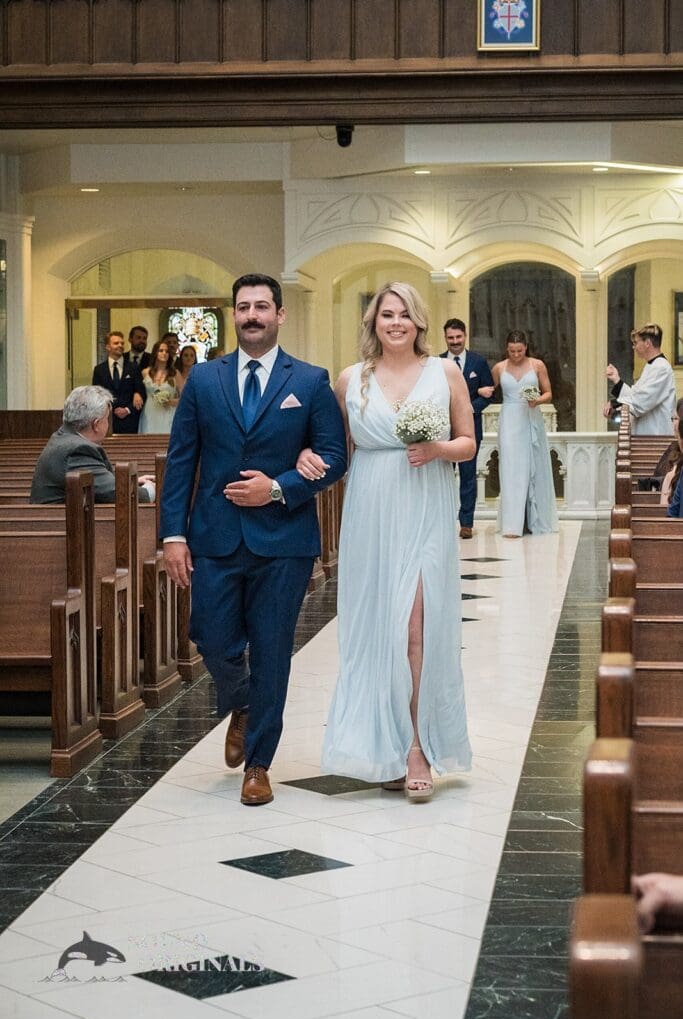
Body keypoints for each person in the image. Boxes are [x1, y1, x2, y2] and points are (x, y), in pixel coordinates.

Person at [160, 273, 347, 807]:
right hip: (214, 537)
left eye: (262, 306)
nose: (252, 316)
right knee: (212, 639)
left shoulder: (309, 382)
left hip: (283, 542)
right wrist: (173, 534)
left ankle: (259, 765)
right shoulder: (204, 380)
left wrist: (280, 488)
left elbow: (335, 457)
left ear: (280, 315)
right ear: (233, 314)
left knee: (271, 652)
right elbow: (181, 462)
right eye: (243, 307)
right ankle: (241, 703)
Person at [300, 282, 475, 800]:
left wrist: (438, 447)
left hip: (424, 506)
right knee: (380, 630)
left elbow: (468, 444)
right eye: (385, 315)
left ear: (419, 322)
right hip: (370, 512)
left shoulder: (442, 372)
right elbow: (333, 449)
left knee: (417, 627)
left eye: (404, 315)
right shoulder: (352, 379)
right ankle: (383, 745)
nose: (395, 322)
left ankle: (418, 745)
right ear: (373, 323)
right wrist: (303, 460)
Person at [486, 329, 558, 538]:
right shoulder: (499, 368)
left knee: (531, 467)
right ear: (506, 349)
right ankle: (512, 524)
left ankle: (534, 519)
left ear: (526, 347)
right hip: (509, 419)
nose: (516, 355)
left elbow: (549, 393)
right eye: (511, 351)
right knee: (510, 469)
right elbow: (490, 390)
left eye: (519, 351)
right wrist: (484, 392)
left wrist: (537, 400)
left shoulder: (537, 365)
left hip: (530, 417)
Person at [30, 385, 154, 504]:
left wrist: (131, 483)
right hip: (58, 524)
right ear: (96, 424)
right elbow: (116, 493)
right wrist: (149, 490)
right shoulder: (78, 450)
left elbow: (101, 485)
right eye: (106, 419)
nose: (108, 424)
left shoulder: (62, 437)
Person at [440, 317, 494, 539]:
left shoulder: (478, 362)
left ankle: (466, 523)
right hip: (443, 429)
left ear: (465, 336)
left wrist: (469, 408)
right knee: (442, 475)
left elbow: (490, 393)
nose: (454, 341)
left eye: (458, 337)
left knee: (468, 475)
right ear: (445, 338)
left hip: (470, 428)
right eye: (450, 338)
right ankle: (442, 520)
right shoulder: (437, 363)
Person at [605, 323, 676, 435]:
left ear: (647, 343)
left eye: (636, 343)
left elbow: (642, 401)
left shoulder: (661, 368)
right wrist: (616, 380)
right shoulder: (651, 366)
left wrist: (615, 403)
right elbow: (635, 395)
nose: (634, 347)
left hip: (656, 438)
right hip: (647, 437)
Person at [92, 330, 146, 434]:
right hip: (108, 420)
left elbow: (141, 392)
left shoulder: (133, 367)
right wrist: (112, 410)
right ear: (108, 347)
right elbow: (96, 395)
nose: (120, 345)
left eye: (122, 343)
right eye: (116, 343)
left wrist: (127, 409)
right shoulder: (99, 370)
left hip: (130, 421)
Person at [138, 339, 179, 433]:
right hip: (150, 412)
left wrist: (171, 401)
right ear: (155, 353)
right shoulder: (145, 372)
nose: (164, 353)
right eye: (161, 351)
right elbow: (138, 390)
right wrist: (136, 394)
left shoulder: (175, 373)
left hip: (167, 412)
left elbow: (185, 397)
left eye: (167, 351)